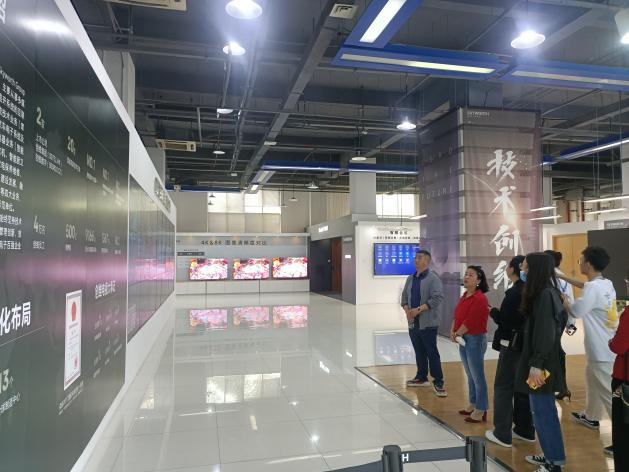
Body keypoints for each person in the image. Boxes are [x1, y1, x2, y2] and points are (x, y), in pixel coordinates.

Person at [559, 246, 618, 456]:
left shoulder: (593, 288)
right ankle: (592, 416)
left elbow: (576, 311)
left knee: (608, 394)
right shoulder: (605, 283)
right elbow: (586, 286)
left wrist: (566, 300)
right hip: (606, 346)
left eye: (581, 260)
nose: (580, 263)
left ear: (589, 265)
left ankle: (623, 440)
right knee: (592, 380)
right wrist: (562, 277)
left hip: (601, 350)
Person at [516, 252, 566, 472]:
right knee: (540, 410)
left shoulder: (546, 295)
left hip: (542, 365)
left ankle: (554, 462)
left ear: (535, 269)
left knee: (544, 412)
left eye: (526, 267)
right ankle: (549, 454)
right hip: (539, 361)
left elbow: (546, 333)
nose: (523, 271)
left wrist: (537, 364)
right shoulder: (545, 293)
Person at [485, 255, 536, 448]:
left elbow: (506, 320)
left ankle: (502, 433)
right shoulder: (535, 291)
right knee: (522, 388)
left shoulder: (515, 293)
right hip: (527, 347)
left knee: (504, 386)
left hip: (512, 345)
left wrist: (493, 312)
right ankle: (525, 429)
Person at [401, 250, 447, 397]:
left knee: (431, 352)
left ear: (427, 261)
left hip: (428, 323)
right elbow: (404, 297)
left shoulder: (433, 279)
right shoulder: (410, 278)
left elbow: (437, 298)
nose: (416, 260)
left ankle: (438, 381)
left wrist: (419, 310)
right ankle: (421, 377)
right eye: (415, 258)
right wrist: (408, 311)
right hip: (413, 323)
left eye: (419, 258)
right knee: (419, 351)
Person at [451, 265, 490, 423]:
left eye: (471, 275)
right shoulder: (465, 295)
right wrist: (453, 330)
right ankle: (473, 403)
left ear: (478, 280)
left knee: (477, 375)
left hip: (474, 339)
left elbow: (471, 321)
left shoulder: (480, 298)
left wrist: (458, 333)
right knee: (469, 374)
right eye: (466, 274)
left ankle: (481, 408)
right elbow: (458, 315)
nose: (466, 277)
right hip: (463, 338)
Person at [544, 249, 575, 402]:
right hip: (562, 316)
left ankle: (556, 386)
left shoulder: (548, 276)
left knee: (551, 351)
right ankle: (561, 386)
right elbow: (570, 298)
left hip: (551, 317)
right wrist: (571, 323)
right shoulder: (562, 275)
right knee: (556, 349)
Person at [608, 272, 628, 472]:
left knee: (622, 432)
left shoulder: (628, 314)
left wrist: (611, 342)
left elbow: (619, 346)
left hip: (625, 380)